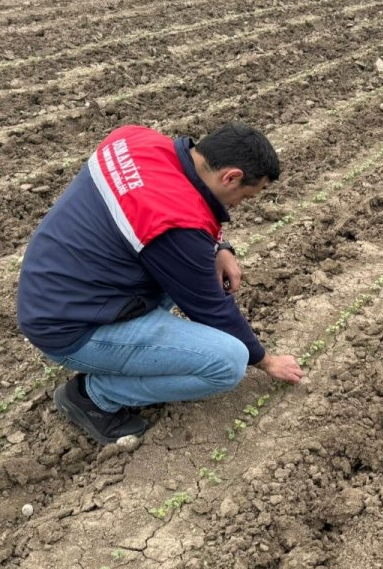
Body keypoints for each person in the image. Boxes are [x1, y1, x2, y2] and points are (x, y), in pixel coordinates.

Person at [17, 122, 303, 444]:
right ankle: (94, 396)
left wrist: (218, 247)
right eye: (245, 196)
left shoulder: (135, 139)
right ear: (231, 177)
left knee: (191, 266)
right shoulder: (176, 227)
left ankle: (132, 355)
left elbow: (190, 207)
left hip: (54, 286)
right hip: (69, 328)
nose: (238, 205)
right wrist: (266, 360)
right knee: (229, 362)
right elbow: (211, 309)